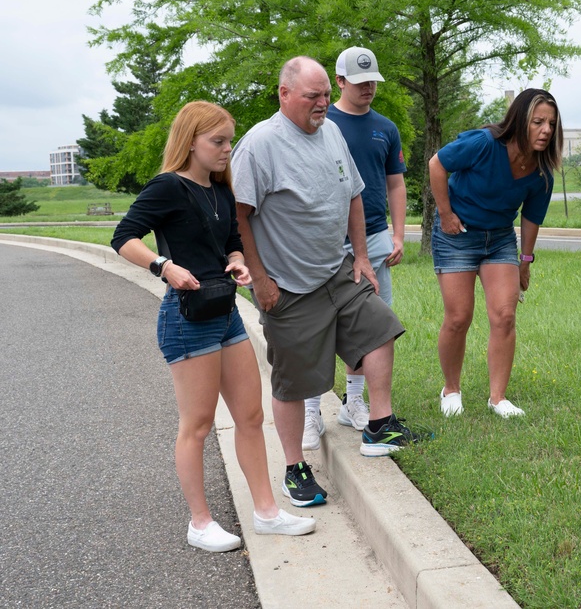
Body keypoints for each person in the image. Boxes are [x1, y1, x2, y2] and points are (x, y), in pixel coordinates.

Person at [111, 101, 316, 552]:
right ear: (191, 141)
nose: (227, 149)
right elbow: (122, 237)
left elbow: (233, 244)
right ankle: (200, 523)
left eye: (229, 140)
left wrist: (237, 264)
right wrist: (164, 267)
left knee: (250, 416)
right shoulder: (167, 188)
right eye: (217, 141)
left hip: (225, 314)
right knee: (198, 425)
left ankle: (266, 512)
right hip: (186, 319)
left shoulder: (222, 190)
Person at [231, 56, 419, 509]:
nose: (322, 104)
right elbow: (238, 217)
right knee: (294, 381)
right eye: (312, 96)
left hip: (338, 269)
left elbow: (353, 194)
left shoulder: (331, 131)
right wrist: (260, 279)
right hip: (288, 284)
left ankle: (379, 425)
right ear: (284, 94)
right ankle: (295, 468)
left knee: (379, 327)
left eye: (324, 96)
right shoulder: (259, 146)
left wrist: (360, 256)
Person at [428, 89, 563, 418]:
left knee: (504, 316)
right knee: (459, 318)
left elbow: (531, 219)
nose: (546, 129)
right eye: (538, 122)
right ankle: (451, 389)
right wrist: (445, 214)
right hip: (457, 234)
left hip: (500, 238)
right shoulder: (484, 143)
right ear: (520, 120)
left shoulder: (542, 171)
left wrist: (525, 262)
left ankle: (497, 398)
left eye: (551, 124)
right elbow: (437, 163)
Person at [301, 46, 407, 450]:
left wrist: (397, 234)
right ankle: (312, 411)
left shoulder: (385, 128)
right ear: (339, 81)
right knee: (316, 326)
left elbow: (394, 182)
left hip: (376, 237)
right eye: (359, 83)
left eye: (372, 83)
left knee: (371, 324)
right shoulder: (320, 124)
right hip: (327, 241)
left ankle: (354, 402)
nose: (368, 89)